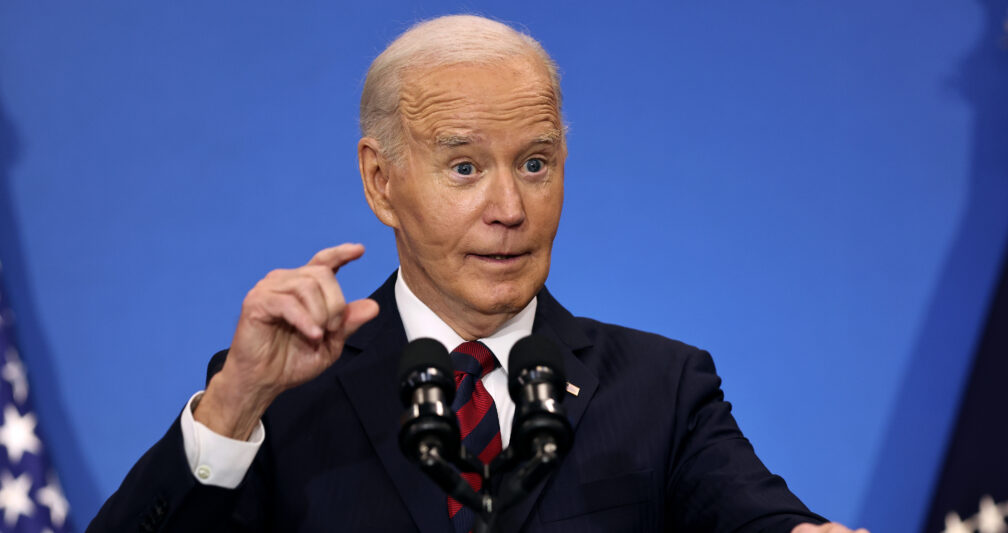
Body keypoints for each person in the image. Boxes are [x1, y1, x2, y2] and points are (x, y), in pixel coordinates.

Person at [88, 14, 869, 533]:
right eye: (464, 166)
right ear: (380, 181)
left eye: (536, 163)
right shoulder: (278, 397)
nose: (509, 207)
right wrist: (233, 404)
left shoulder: (661, 390)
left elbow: (764, 523)